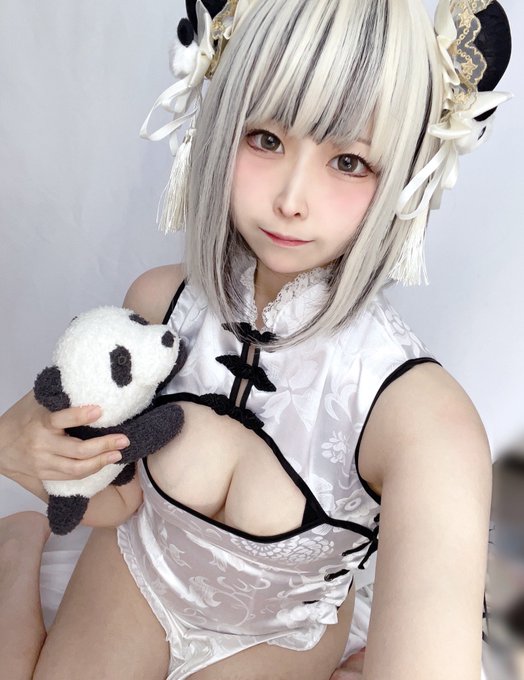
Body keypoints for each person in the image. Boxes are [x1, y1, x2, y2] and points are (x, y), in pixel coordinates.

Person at [0, 0, 513, 678]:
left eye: (349, 160)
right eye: (267, 139)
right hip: (142, 568)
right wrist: (15, 446)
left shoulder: (420, 418)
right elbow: (115, 489)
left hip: (281, 631)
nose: (291, 199)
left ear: (406, 175)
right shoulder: (158, 305)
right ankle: (16, 553)